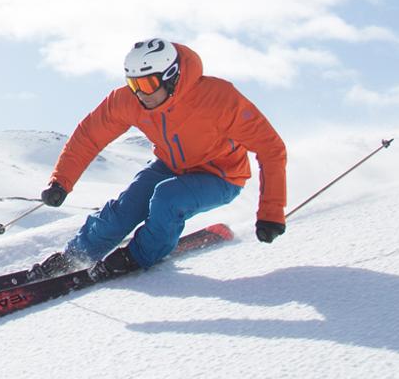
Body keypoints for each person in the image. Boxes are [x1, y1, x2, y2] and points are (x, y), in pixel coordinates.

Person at [31, 38, 288, 279]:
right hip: (171, 164)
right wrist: (60, 182)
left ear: (171, 77)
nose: (140, 94)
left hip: (220, 175)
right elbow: (89, 136)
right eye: (134, 84)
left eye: (147, 84)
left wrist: (271, 213)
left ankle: (138, 256)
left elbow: (271, 148)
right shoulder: (129, 101)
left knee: (167, 199)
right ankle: (75, 256)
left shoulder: (218, 98)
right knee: (125, 209)